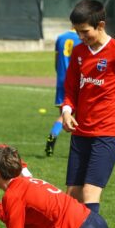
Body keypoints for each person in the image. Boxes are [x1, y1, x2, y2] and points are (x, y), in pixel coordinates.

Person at [61, 0, 115, 214]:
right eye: (77, 32)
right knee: (72, 194)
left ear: (100, 25)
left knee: (90, 192)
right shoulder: (79, 53)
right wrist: (66, 111)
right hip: (81, 129)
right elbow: (71, 89)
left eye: (85, 32)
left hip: (109, 130)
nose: (81, 37)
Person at [45, 29, 82, 157]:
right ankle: (77, 149)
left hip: (61, 79)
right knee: (79, 116)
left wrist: (60, 74)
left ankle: (54, 133)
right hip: (76, 80)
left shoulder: (60, 37)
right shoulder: (82, 37)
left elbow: (56, 60)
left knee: (64, 115)